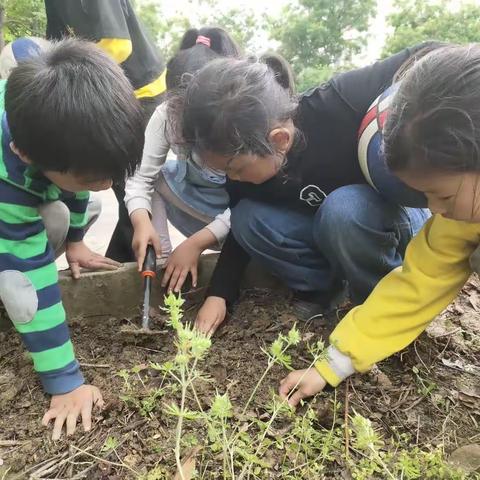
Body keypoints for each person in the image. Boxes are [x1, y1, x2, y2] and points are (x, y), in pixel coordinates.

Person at [168, 45, 436, 336]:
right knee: (247, 218)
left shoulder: (339, 102)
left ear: (279, 139)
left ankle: (383, 306)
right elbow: (237, 233)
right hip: (334, 231)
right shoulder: (240, 167)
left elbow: (429, 53)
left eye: (236, 168)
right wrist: (218, 293)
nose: (232, 178)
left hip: (393, 220)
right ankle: (327, 290)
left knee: (343, 209)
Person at [279, 43, 480, 406]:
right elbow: (418, 285)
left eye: (443, 196)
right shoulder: (461, 221)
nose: (434, 210)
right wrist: (330, 366)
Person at [1, 39, 144, 438]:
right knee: (18, 271)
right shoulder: (8, 184)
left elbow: (24, 47)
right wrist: (64, 381)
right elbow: (23, 283)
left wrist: (77, 240)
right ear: (26, 154)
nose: (108, 185)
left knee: (72, 211)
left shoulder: (49, 109)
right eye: (93, 177)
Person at [44, 0, 166, 262]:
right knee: (76, 175)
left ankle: (128, 268)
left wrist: (71, 88)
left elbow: (116, 44)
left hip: (136, 94)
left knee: (129, 191)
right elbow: (53, 46)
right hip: (89, 93)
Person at [125, 27, 240, 293]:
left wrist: (195, 244)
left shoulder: (235, 117)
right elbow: (142, 177)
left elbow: (249, 201)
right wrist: (141, 222)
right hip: (199, 207)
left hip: (240, 219)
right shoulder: (166, 115)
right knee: (158, 175)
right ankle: (163, 262)